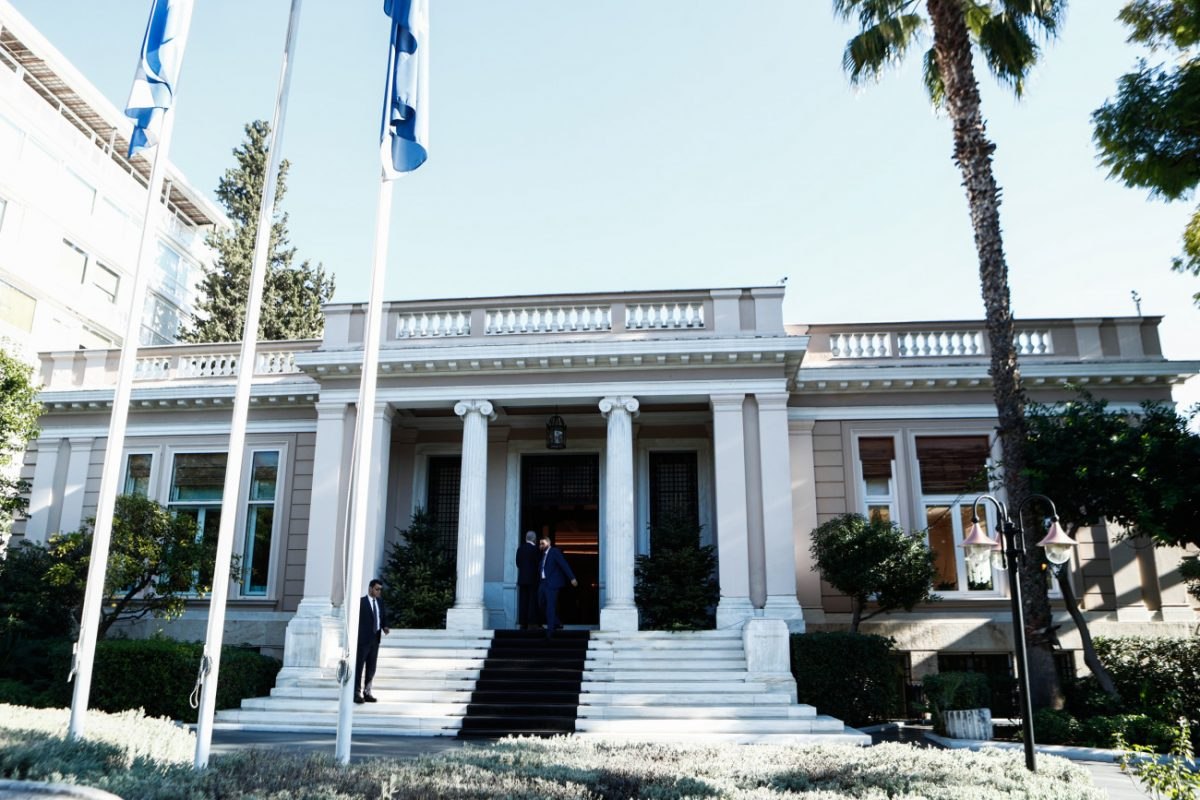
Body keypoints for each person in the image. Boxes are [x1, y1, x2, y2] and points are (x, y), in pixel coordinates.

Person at [354, 578, 389, 704]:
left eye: (380, 590)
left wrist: (385, 626)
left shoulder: (380, 602)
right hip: (363, 640)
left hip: (375, 639)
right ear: (370, 589)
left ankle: (367, 692)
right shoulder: (361, 602)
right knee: (359, 667)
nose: (379, 591)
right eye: (377, 589)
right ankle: (356, 693)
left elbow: (382, 616)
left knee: (371, 668)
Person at [536, 534, 576, 639]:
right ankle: (556, 622)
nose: (541, 545)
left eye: (543, 543)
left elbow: (564, 564)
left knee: (550, 606)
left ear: (548, 543)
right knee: (541, 604)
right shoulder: (543, 554)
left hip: (552, 584)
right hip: (543, 583)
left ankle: (550, 631)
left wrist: (572, 578)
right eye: (540, 543)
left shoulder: (554, 552)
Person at [515, 530, 541, 630]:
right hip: (532, 579)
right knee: (532, 601)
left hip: (522, 579)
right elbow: (538, 564)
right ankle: (532, 623)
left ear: (526, 538)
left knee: (523, 601)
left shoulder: (520, 549)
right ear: (534, 539)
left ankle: (523, 623)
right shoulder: (535, 549)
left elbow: (518, 563)